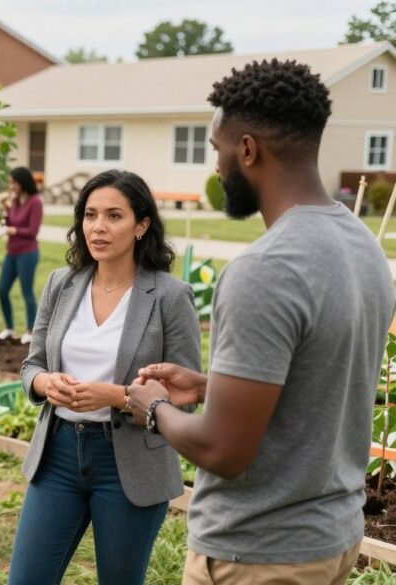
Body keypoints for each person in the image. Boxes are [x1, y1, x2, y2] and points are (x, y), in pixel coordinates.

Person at [126, 60, 394, 584]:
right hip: (332, 539)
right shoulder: (362, 245)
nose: (217, 165)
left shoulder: (263, 271)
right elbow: (320, 380)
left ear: (247, 150)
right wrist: (212, 387)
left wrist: (152, 407)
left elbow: (224, 451)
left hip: (258, 555)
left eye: (216, 149)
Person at [8, 170, 202, 585]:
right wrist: (47, 384)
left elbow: (187, 395)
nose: (98, 227)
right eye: (90, 215)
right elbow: (31, 366)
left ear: (142, 225)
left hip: (129, 462)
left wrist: (114, 395)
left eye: (114, 216)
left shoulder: (170, 295)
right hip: (58, 453)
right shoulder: (62, 284)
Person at [0, 167, 44, 346]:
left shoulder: (35, 202)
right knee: (2, 290)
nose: (11, 186)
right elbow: (9, 222)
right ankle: (9, 327)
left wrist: (11, 230)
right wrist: (3, 211)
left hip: (27, 253)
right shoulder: (14, 201)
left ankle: (31, 330)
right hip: (11, 252)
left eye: (13, 182)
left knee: (27, 292)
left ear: (23, 182)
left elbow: (32, 231)